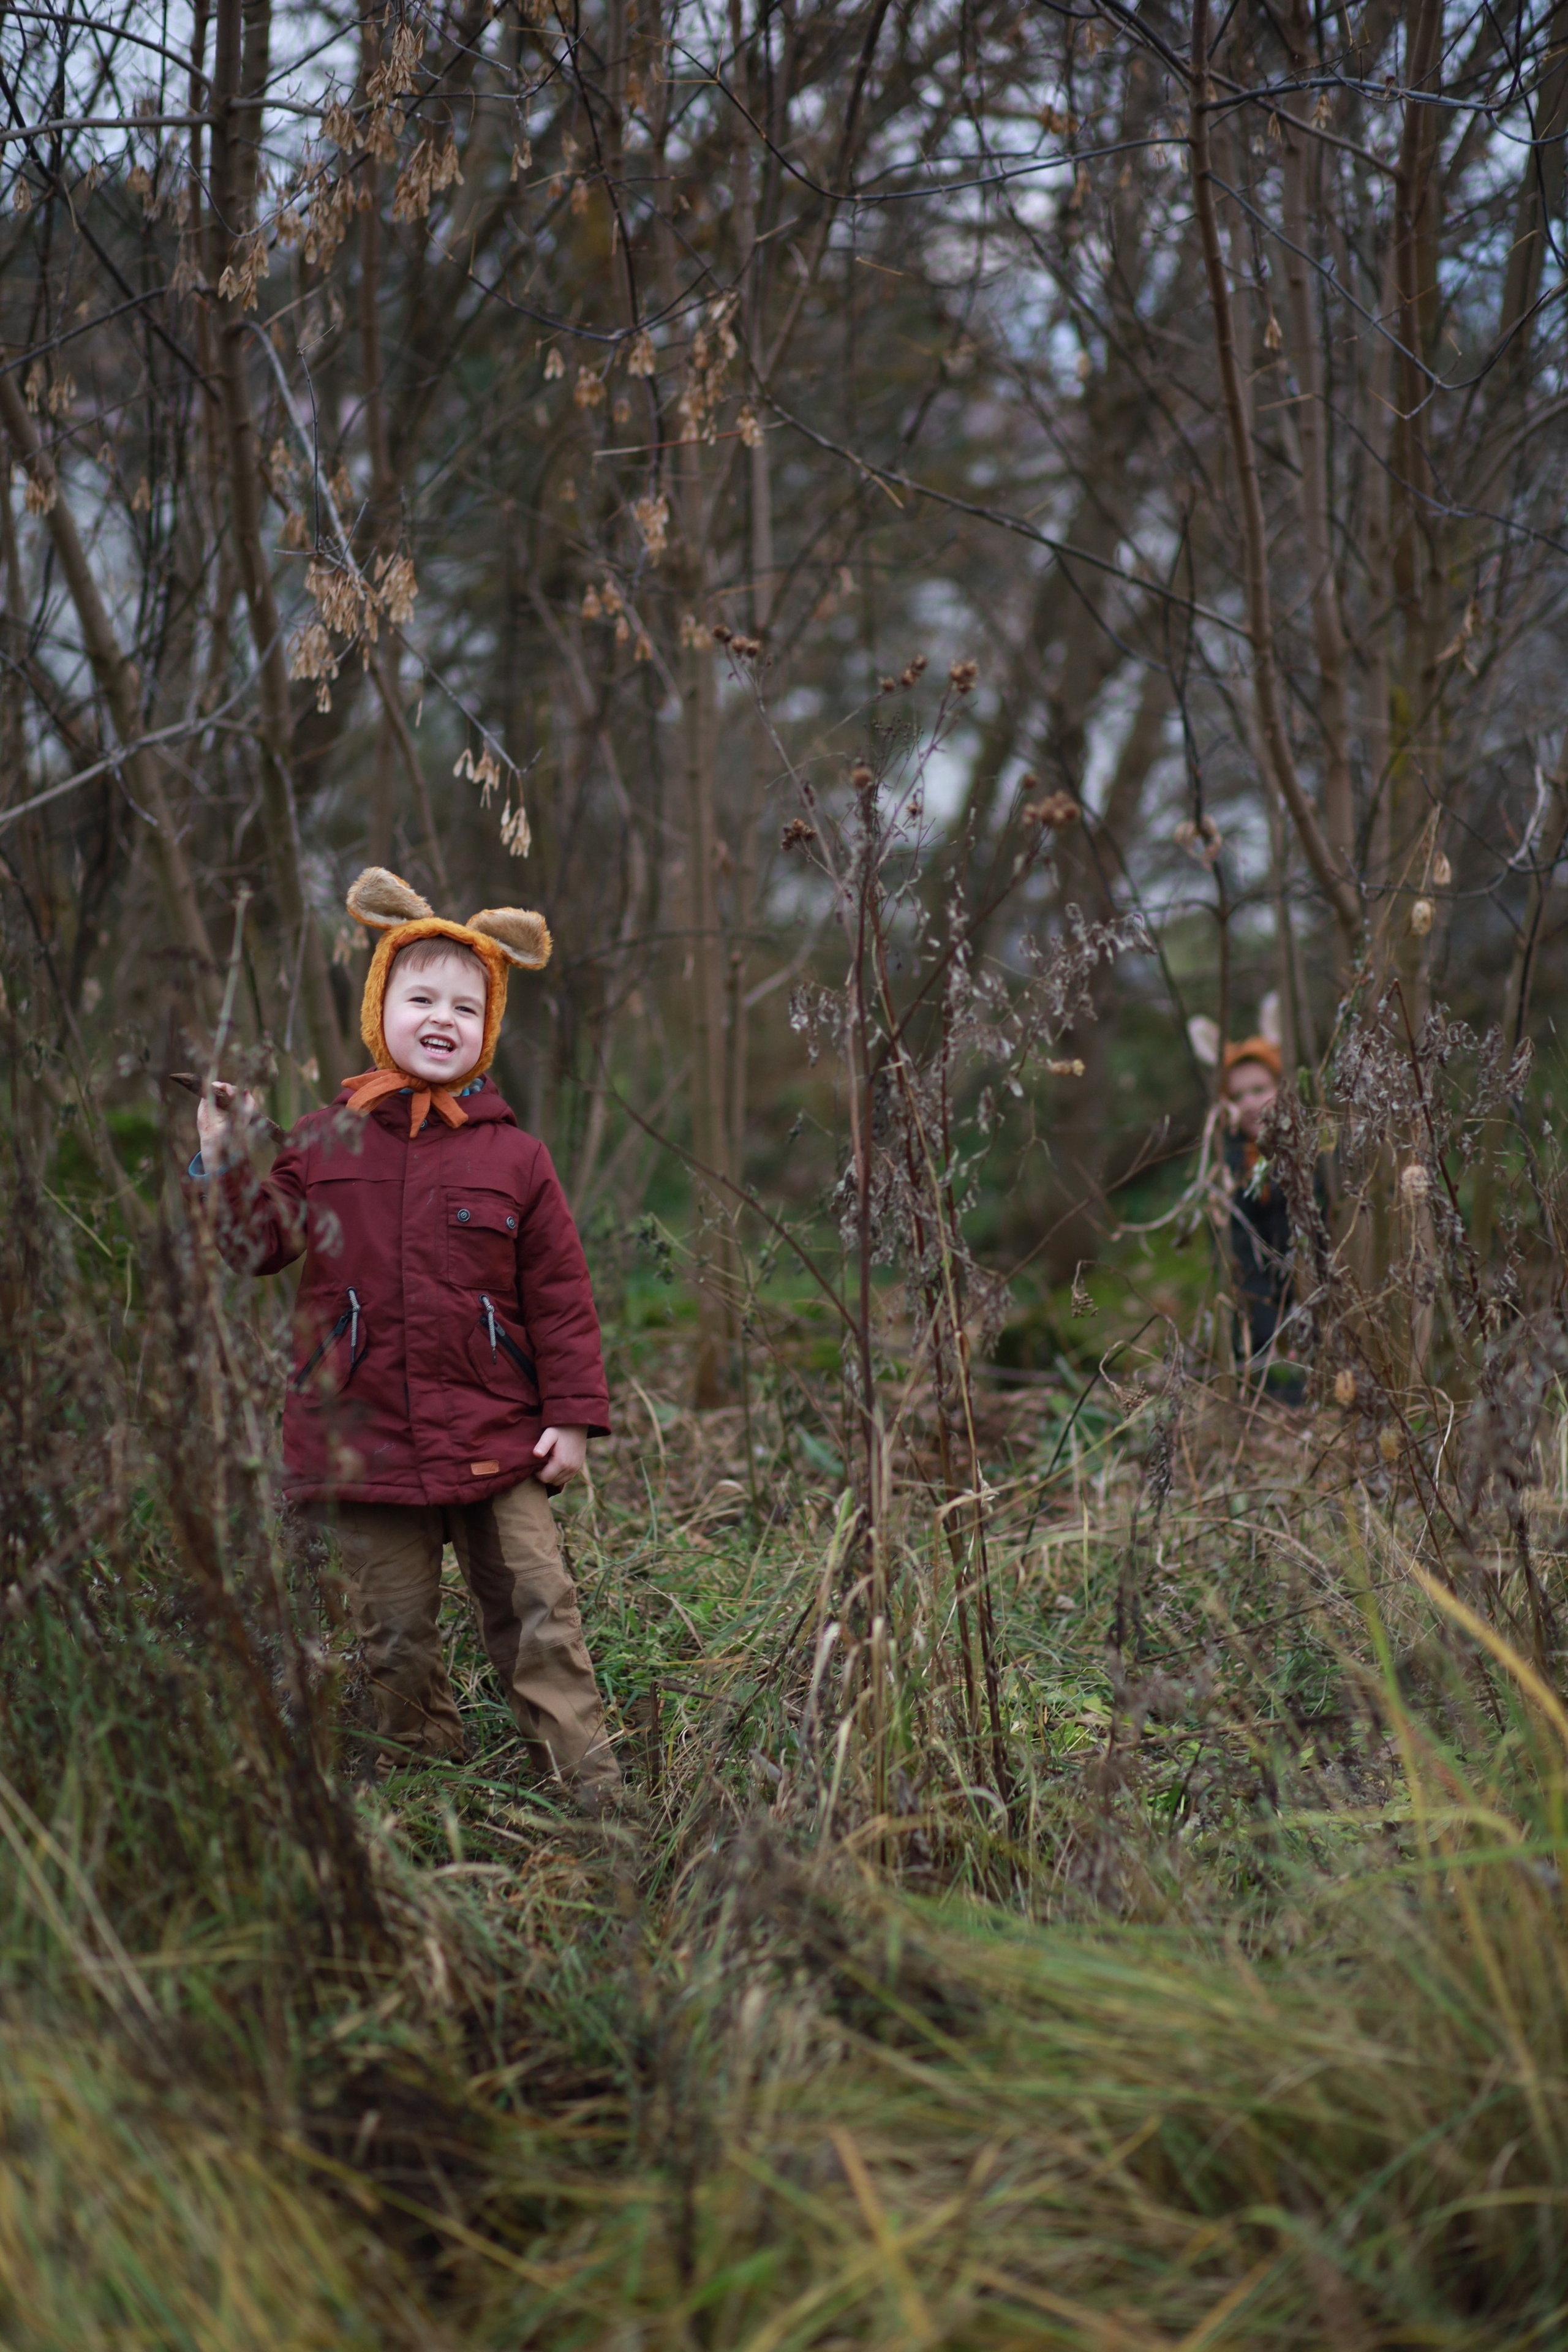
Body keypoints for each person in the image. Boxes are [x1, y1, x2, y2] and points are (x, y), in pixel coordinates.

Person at [190, 865, 622, 1811]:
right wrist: (223, 1156)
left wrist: (572, 1418)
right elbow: (255, 1246)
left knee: (541, 1618)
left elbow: (559, 1297)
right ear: (379, 1007)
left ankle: (593, 1808)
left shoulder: (517, 1157)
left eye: (466, 1007)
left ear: (487, 1029)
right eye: (420, 998)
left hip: (499, 1438)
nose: (441, 1019)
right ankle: (425, 1804)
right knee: (390, 1639)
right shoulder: (322, 1141)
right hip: (361, 1441)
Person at [1219, 1033, 1300, 1393]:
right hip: (1262, 1328)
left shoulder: (1316, 1153)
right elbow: (1243, 1260)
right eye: (1238, 1096)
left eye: (1259, 1089)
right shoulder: (1229, 1167)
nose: (1250, 1103)